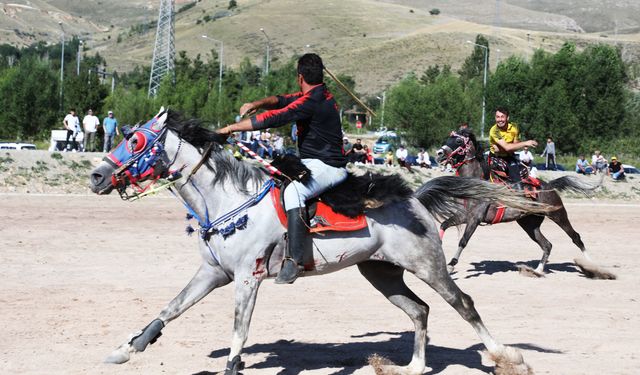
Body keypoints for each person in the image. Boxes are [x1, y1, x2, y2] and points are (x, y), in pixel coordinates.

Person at [217, 53, 347, 284]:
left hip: (328, 166)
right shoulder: (314, 94)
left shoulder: (312, 102)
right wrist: (255, 104)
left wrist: (230, 129)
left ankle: (295, 261)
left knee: (294, 192)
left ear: (300, 77)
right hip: (312, 162)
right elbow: (281, 100)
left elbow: (275, 117)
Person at [488, 107, 538, 185]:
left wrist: (503, 147)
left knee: (518, 180)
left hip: (510, 156)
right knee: (498, 183)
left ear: (507, 118)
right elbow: (508, 148)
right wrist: (525, 143)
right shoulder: (494, 130)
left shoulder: (514, 127)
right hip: (496, 157)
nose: (500, 120)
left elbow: (514, 146)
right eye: (497, 117)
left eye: (502, 117)